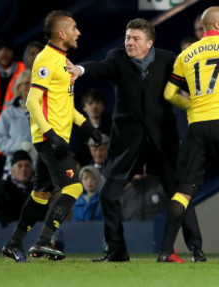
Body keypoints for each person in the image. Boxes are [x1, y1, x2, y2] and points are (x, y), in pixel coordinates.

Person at [66, 18, 204, 262]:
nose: (129, 42)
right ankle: (117, 251)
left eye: (135, 38)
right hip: (127, 143)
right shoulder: (117, 57)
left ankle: (195, 249)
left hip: (162, 140)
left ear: (149, 43)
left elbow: (190, 83)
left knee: (180, 194)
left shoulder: (167, 59)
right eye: (128, 37)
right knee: (108, 194)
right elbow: (100, 67)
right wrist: (79, 69)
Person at [1, 10, 103, 263]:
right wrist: (50, 134)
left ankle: (13, 244)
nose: (78, 32)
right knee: (75, 186)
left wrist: (86, 126)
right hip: (50, 139)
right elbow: (32, 102)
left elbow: (63, 105)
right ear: (61, 33)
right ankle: (42, 243)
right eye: (74, 28)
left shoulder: (61, 60)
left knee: (41, 194)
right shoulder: (46, 59)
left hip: (56, 136)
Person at [159, 6, 219, 263]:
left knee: (184, 191)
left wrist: (191, 106)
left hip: (196, 126)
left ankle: (166, 250)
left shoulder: (185, 54)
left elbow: (169, 94)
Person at [0, 70, 37, 172]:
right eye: (25, 83)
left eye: (32, 83)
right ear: (19, 88)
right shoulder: (9, 113)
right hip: (16, 168)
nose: (29, 87)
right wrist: (21, 146)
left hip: (42, 168)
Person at [0, 150, 34, 224]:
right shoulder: (3, 187)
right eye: (20, 166)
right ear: (12, 171)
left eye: (27, 166)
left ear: (32, 170)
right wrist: (2, 216)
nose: (24, 169)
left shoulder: (38, 187)